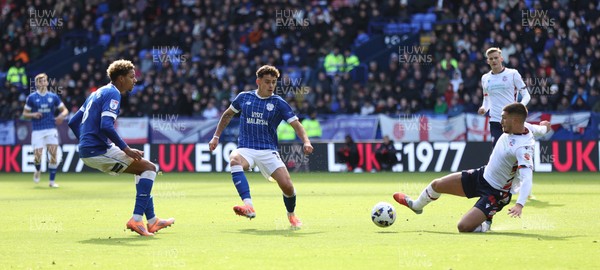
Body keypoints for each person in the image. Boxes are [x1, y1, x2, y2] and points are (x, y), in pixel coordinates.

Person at [393, 103, 550, 233]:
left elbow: (527, 177)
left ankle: (486, 223)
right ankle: (415, 205)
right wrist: (545, 127)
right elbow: (541, 130)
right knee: (437, 185)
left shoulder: (523, 149)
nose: (500, 121)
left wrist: (520, 204)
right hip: (481, 175)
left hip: (496, 193)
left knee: (464, 227)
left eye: (504, 118)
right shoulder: (527, 127)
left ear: (515, 120)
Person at [68, 59, 174, 236]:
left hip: (92, 149)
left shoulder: (97, 93)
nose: (135, 80)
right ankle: (137, 220)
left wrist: (84, 142)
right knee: (150, 168)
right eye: (132, 77)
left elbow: (73, 122)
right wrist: (126, 149)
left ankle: (153, 221)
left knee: (143, 169)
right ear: (120, 78)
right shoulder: (113, 94)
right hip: (98, 150)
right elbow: (106, 126)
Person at [208, 65, 313, 229]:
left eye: (273, 82)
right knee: (234, 160)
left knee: (288, 186)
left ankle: (291, 214)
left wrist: (306, 141)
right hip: (246, 148)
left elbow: (296, 125)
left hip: (268, 150)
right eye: (267, 82)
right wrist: (216, 137)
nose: (271, 86)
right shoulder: (244, 98)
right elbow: (227, 114)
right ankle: (248, 206)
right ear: (258, 82)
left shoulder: (279, 103)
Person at [22, 73, 68, 187]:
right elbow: (24, 114)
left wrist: (61, 116)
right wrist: (33, 114)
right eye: (40, 81)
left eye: (44, 81)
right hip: (37, 130)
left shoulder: (53, 97)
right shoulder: (31, 97)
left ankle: (52, 182)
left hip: (51, 129)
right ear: (36, 84)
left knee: (53, 155)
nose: (42, 83)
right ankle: (37, 170)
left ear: (47, 83)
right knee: (38, 156)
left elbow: (65, 110)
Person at [478, 47, 531, 147]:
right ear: (487, 61)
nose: (494, 60)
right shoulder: (485, 78)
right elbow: (487, 99)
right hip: (495, 121)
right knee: (498, 152)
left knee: (512, 152)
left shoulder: (512, 74)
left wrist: (518, 108)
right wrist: (484, 108)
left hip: (511, 120)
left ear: (501, 59)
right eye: (491, 59)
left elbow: (526, 95)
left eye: (496, 58)